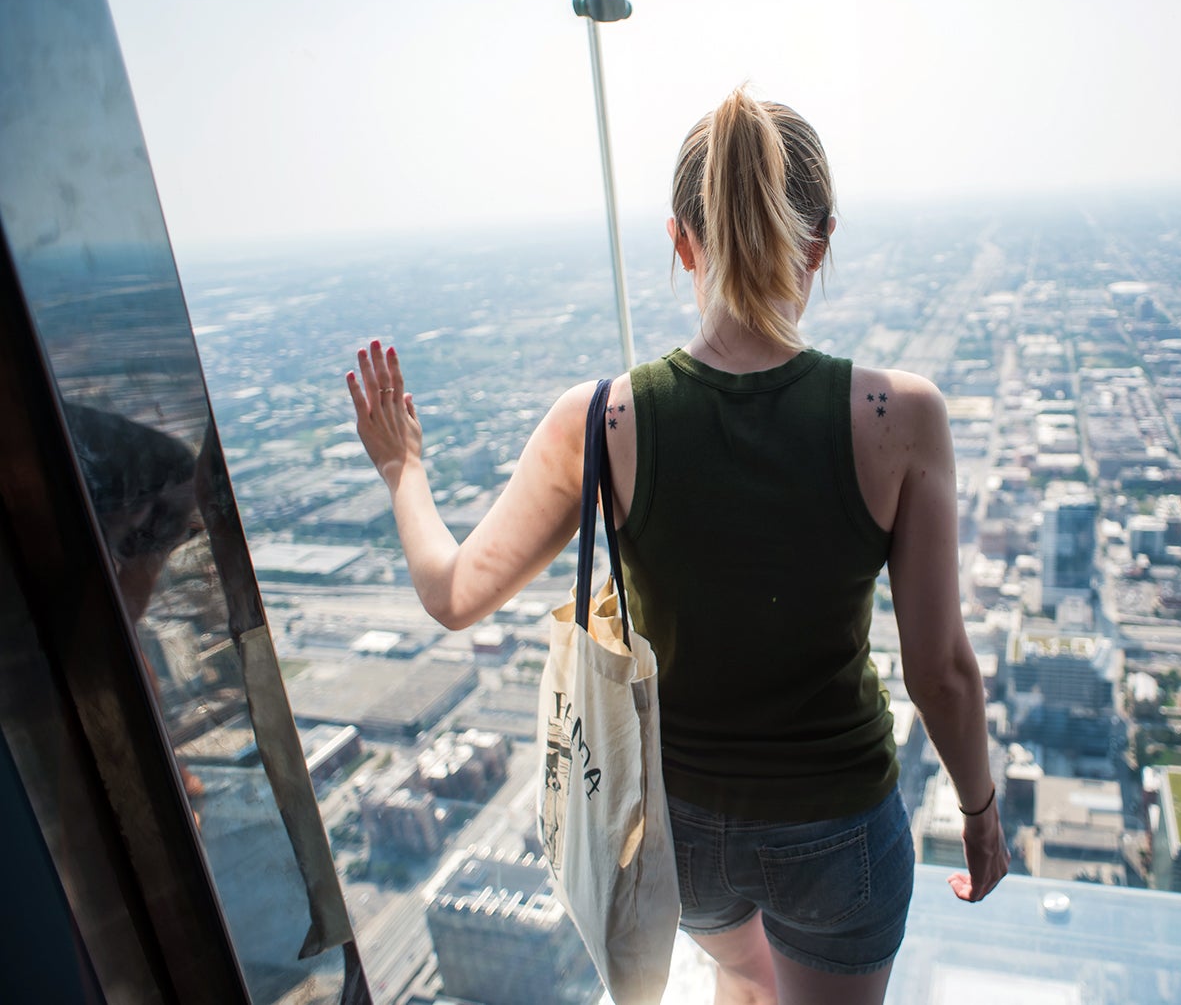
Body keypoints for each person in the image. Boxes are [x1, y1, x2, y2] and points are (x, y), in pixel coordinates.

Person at [348, 86, 1008, 1005]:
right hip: (839, 830)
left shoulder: (599, 422)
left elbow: (453, 594)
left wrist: (402, 472)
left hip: (680, 828)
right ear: (819, 244)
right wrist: (979, 812)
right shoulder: (899, 417)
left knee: (744, 983)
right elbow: (942, 673)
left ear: (680, 242)